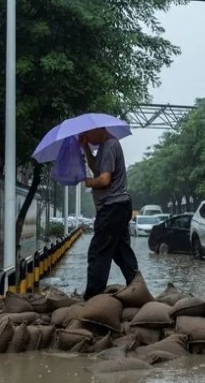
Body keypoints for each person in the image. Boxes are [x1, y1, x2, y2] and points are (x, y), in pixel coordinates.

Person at [79, 127, 138, 300]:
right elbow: (95, 167)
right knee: (121, 251)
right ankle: (136, 287)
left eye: (88, 134)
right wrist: (85, 147)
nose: (88, 138)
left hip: (112, 207)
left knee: (98, 252)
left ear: (98, 129)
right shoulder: (105, 147)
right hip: (119, 206)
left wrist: (89, 183)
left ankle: (94, 297)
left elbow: (104, 179)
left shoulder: (110, 145)